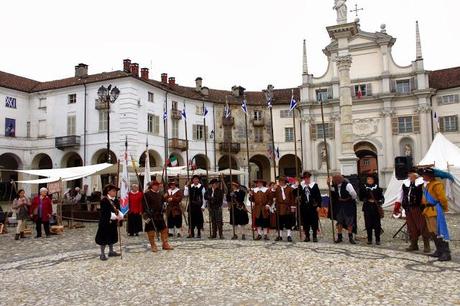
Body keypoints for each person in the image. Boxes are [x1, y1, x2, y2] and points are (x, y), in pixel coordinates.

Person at [419, 167, 451, 261]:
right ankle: (439, 250)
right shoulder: (427, 185)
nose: (423, 176)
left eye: (424, 175)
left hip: (435, 209)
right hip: (428, 209)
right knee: (433, 231)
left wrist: (444, 208)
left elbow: (443, 199)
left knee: (439, 231)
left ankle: (446, 252)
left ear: (429, 176)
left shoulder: (437, 184)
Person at [395, 168, 430, 252]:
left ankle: (426, 245)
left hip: (418, 208)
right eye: (409, 174)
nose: (409, 175)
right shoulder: (405, 183)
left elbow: (427, 193)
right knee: (411, 227)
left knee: (422, 226)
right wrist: (397, 206)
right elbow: (400, 195)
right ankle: (414, 244)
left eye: (411, 174)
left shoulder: (422, 183)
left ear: (416, 174)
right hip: (408, 208)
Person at [95, 184, 124, 260]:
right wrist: (115, 216)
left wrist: (120, 216)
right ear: (108, 191)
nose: (115, 192)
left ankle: (111, 251)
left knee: (112, 236)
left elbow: (118, 209)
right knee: (103, 238)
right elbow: (105, 212)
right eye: (113, 191)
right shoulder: (104, 200)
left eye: (115, 191)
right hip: (105, 222)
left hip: (113, 222)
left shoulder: (116, 200)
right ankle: (102, 254)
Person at [143, 180, 173, 252]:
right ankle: (153, 245)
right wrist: (147, 212)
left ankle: (165, 244)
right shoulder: (147, 194)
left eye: (158, 185)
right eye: (156, 185)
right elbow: (144, 205)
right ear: (152, 186)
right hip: (150, 215)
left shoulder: (160, 194)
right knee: (151, 231)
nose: (158, 186)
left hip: (159, 215)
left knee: (164, 229)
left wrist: (167, 200)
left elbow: (163, 201)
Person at [328, 174, 358, 244]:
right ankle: (339, 237)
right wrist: (328, 184)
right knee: (339, 221)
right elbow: (332, 191)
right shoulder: (335, 186)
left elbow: (354, 194)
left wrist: (349, 199)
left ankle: (350, 237)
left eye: (334, 181)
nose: (333, 182)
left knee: (349, 221)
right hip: (339, 205)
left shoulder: (348, 185)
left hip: (348, 205)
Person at [359, 174, 384, 245]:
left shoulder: (378, 188)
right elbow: (361, 198)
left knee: (377, 224)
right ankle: (369, 239)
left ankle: (377, 239)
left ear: (374, 180)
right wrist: (366, 199)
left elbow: (382, 198)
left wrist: (379, 201)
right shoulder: (363, 188)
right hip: (367, 207)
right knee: (368, 224)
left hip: (375, 207)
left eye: (371, 179)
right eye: (368, 179)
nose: (369, 180)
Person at [298, 171, 322, 242]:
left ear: (309, 178)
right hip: (304, 206)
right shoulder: (301, 186)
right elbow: (296, 194)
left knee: (314, 221)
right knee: (305, 222)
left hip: (313, 206)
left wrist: (318, 206)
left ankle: (314, 236)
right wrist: (297, 186)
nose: (306, 179)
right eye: (305, 178)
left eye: (308, 178)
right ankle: (307, 236)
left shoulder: (314, 185)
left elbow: (318, 196)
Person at [272, 177, 296, 242]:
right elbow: (272, 196)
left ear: (285, 182)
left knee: (288, 222)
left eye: (281, 181)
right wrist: (273, 190)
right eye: (279, 181)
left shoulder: (290, 189)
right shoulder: (277, 189)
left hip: (287, 207)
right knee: (279, 222)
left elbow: (292, 198)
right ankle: (280, 236)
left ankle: (289, 236)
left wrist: (293, 207)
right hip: (279, 207)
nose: (280, 183)